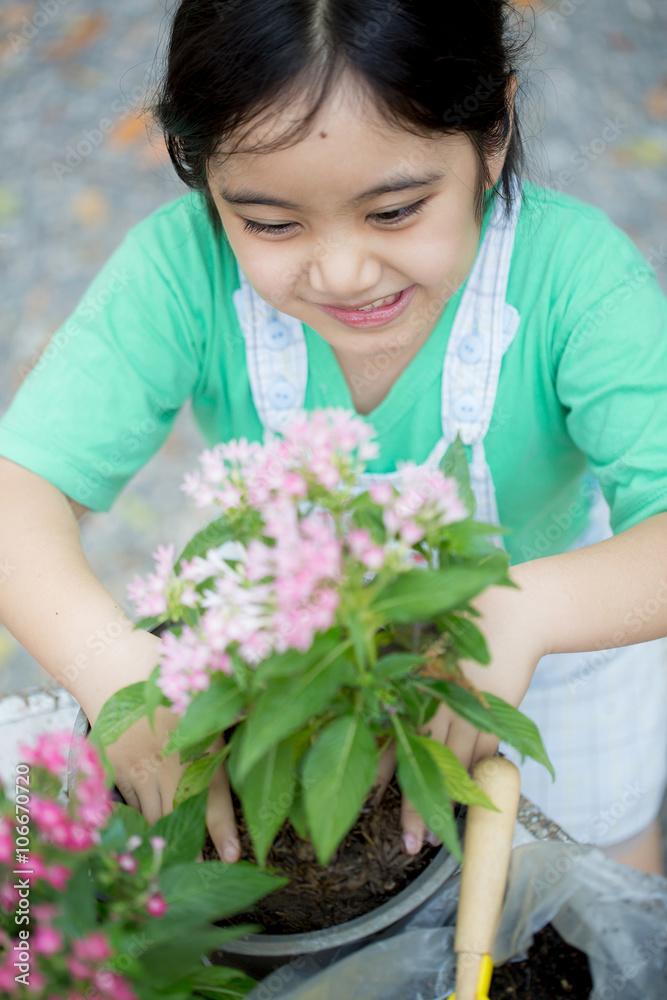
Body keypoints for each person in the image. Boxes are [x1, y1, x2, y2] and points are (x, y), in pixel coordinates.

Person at [1, 0, 666, 875]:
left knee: (593, 857)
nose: (344, 273)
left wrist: (525, 610)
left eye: (394, 212)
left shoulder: (576, 281)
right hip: (306, 658)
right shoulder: (178, 271)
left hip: (556, 642)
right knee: (328, 870)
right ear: (201, 177)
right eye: (271, 224)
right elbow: (20, 489)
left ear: (493, 132)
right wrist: (110, 663)